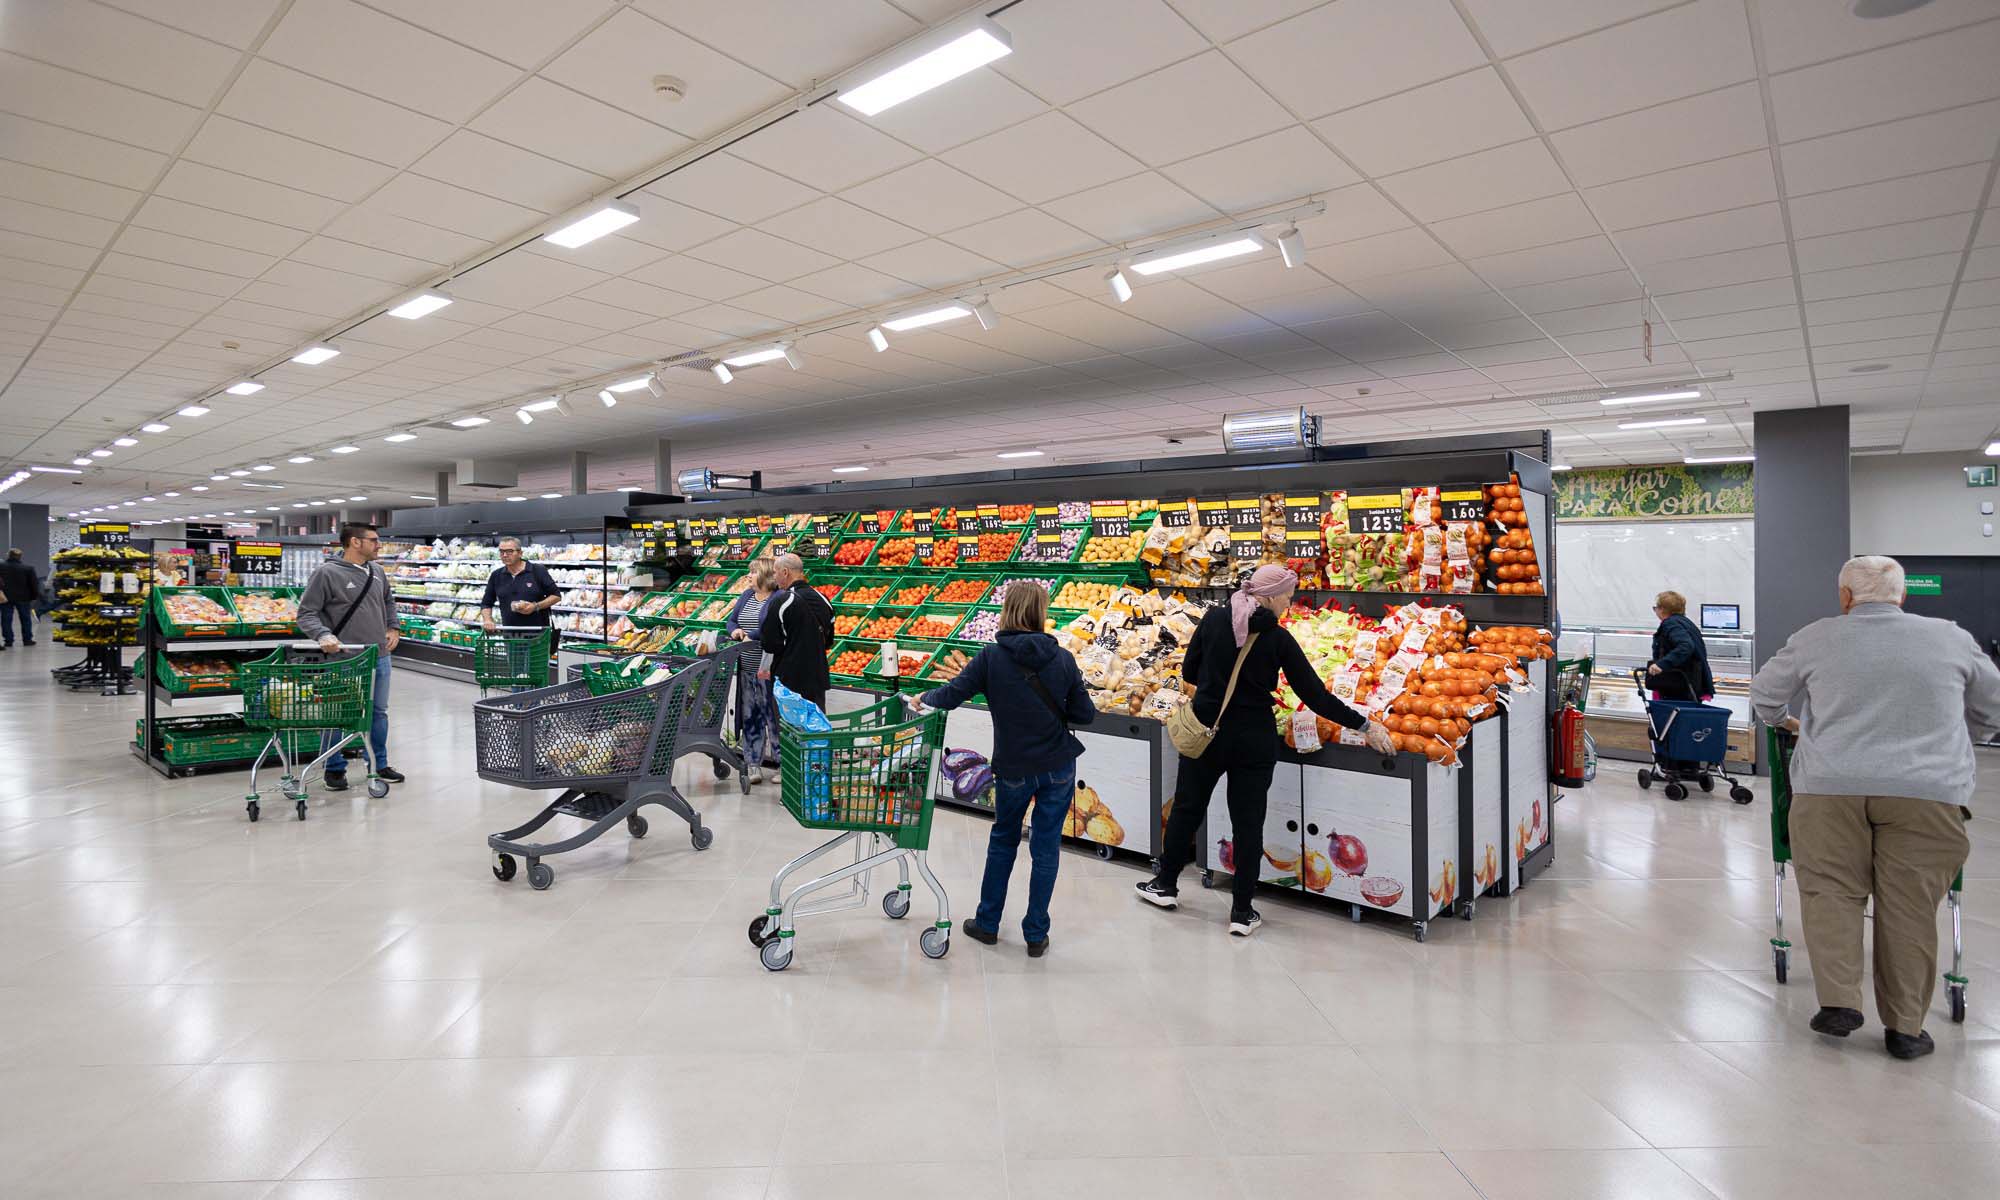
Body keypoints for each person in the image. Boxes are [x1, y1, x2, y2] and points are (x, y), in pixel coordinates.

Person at [1751, 555, 2000, 1060]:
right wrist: (1962, 741)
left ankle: (1840, 1002)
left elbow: (1764, 694)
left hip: (1829, 789)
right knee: (1910, 905)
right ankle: (1906, 1027)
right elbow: (1991, 707)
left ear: (1844, 597)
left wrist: (1784, 722)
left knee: (1830, 893)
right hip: (1927, 794)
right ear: (1902, 596)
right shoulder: (1951, 637)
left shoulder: (1816, 636)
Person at [1138, 564, 1394, 936]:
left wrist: (1216, 681)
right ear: (1271, 596)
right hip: (1254, 739)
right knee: (1247, 823)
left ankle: (1165, 884)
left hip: (1207, 731)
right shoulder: (1278, 639)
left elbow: (1190, 671)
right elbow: (1315, 696)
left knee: (1187, 807)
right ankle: (1242, 912)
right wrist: (1364, 725)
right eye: (1287, 596)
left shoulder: (1213, 620)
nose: (1289, 604)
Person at [912, 581, 1094, 957]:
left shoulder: (991, 658)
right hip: (1058, 765)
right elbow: (1085, 714)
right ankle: (1035, 934)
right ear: (1041, 612)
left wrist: (921, 698)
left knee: (1004, 840)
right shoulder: (1063, 659)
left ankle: (988, 923)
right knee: (1046, 847)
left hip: (1014, 766)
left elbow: (949, 696)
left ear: (1008, 611)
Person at [296, 522, 403, 790]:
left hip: (378, 654)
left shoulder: (377, 571)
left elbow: (388, 601)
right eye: (374, 540)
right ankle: (333, 768)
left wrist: (393, 627)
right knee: (336, 714)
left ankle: (378, 764)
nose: (379, 545)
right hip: (342, 658)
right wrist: (322, 635)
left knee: (378, 712)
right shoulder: (327, 573)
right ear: (355, 542)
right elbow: (306, 613)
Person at [726, 559, 780, 783]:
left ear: (766, 575)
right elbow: (730, 621)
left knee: (773, 717)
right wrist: (736, 630)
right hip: (747, 668)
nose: (748, 576)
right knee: (751, 716)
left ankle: (782, 764)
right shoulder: (746, 596)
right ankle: (753, 764)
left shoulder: (777, 598)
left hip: (768, 669)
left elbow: (773, 626)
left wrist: (754, 634)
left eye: (753, 572)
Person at [757, 552, 833, 710]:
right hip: (817, 679)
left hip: (789, 680)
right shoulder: (823, 599)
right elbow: (829, 640)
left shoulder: (782, 601)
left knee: (790, 729)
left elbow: (769, 643)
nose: (775, 577)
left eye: (775, 572)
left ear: (785, 572)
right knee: (815, 726)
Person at [478, 537, 561, 634]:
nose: (505, 555)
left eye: (509, 551)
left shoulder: (537, 570)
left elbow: (556, 596)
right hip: (510, 636)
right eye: (501, 552)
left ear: (520, 553)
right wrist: (488, 620)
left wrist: (535, 606)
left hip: (538, 635)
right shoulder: (496, 575)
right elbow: (486, 603)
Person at [1646, 590, 1713, 702]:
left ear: (1663, 609)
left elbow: (1686, 646)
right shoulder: (1685, 622)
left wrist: (1661, 664)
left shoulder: (1671, 623)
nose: (1655, 611)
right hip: (1692, 683)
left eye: (1656, 608)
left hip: (1677, 685)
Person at [0, 548, 38, 649]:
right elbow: (33, 584)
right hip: (24, 597)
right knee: (25, 618)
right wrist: (34, 596)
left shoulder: (1, 567)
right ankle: (27, 639)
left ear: (9, 555)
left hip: (5, 597)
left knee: (6, 619)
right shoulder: (28, 568)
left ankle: (8, 641)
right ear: (20, 556)